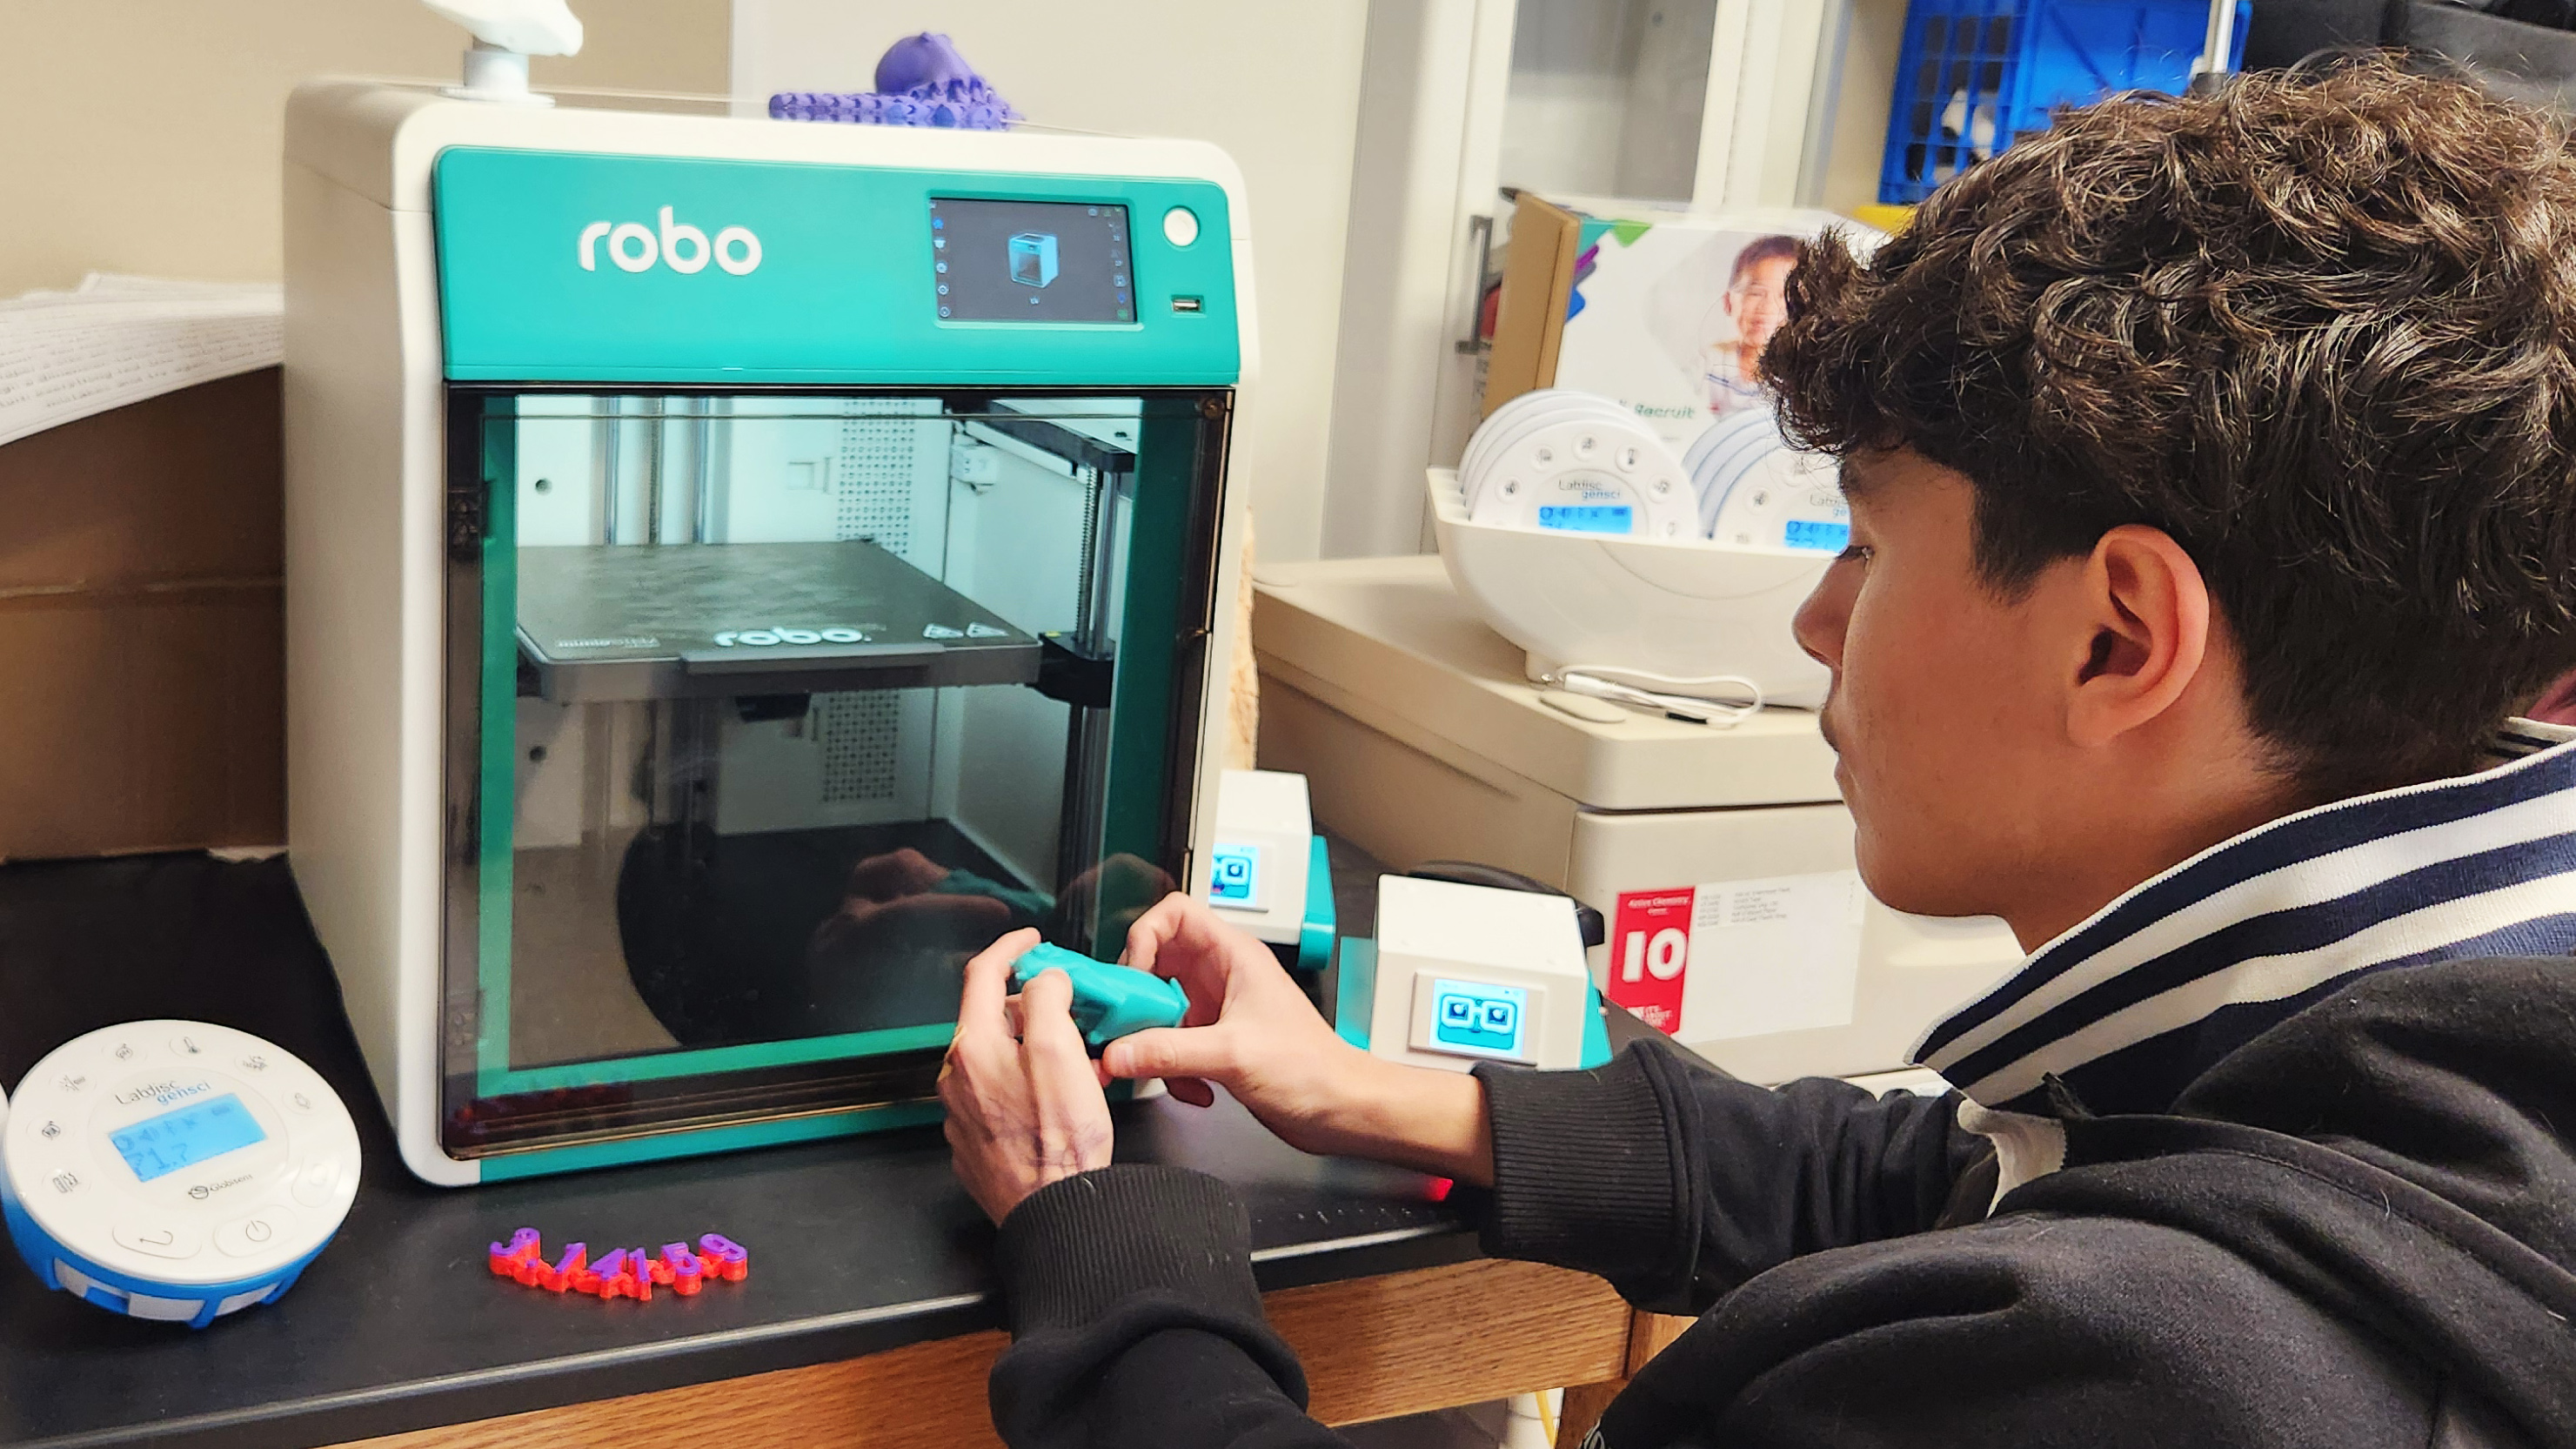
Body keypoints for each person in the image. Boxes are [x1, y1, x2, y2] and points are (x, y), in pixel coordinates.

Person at [938, 59, 2576, 1449]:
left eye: (1866, 543)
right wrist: (1394, 1095)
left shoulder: (2125, 1376)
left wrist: (1108, 1252)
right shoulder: (2449, 1083)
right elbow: (1976, 1178)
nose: (1814, 620)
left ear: (2118, 638)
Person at [1700, 232, 1797, 418]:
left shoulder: (1799, 379)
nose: (1768, 308)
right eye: (1755, 293)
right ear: (1729, 302)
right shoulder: (1709, 363)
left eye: (1784, 297)